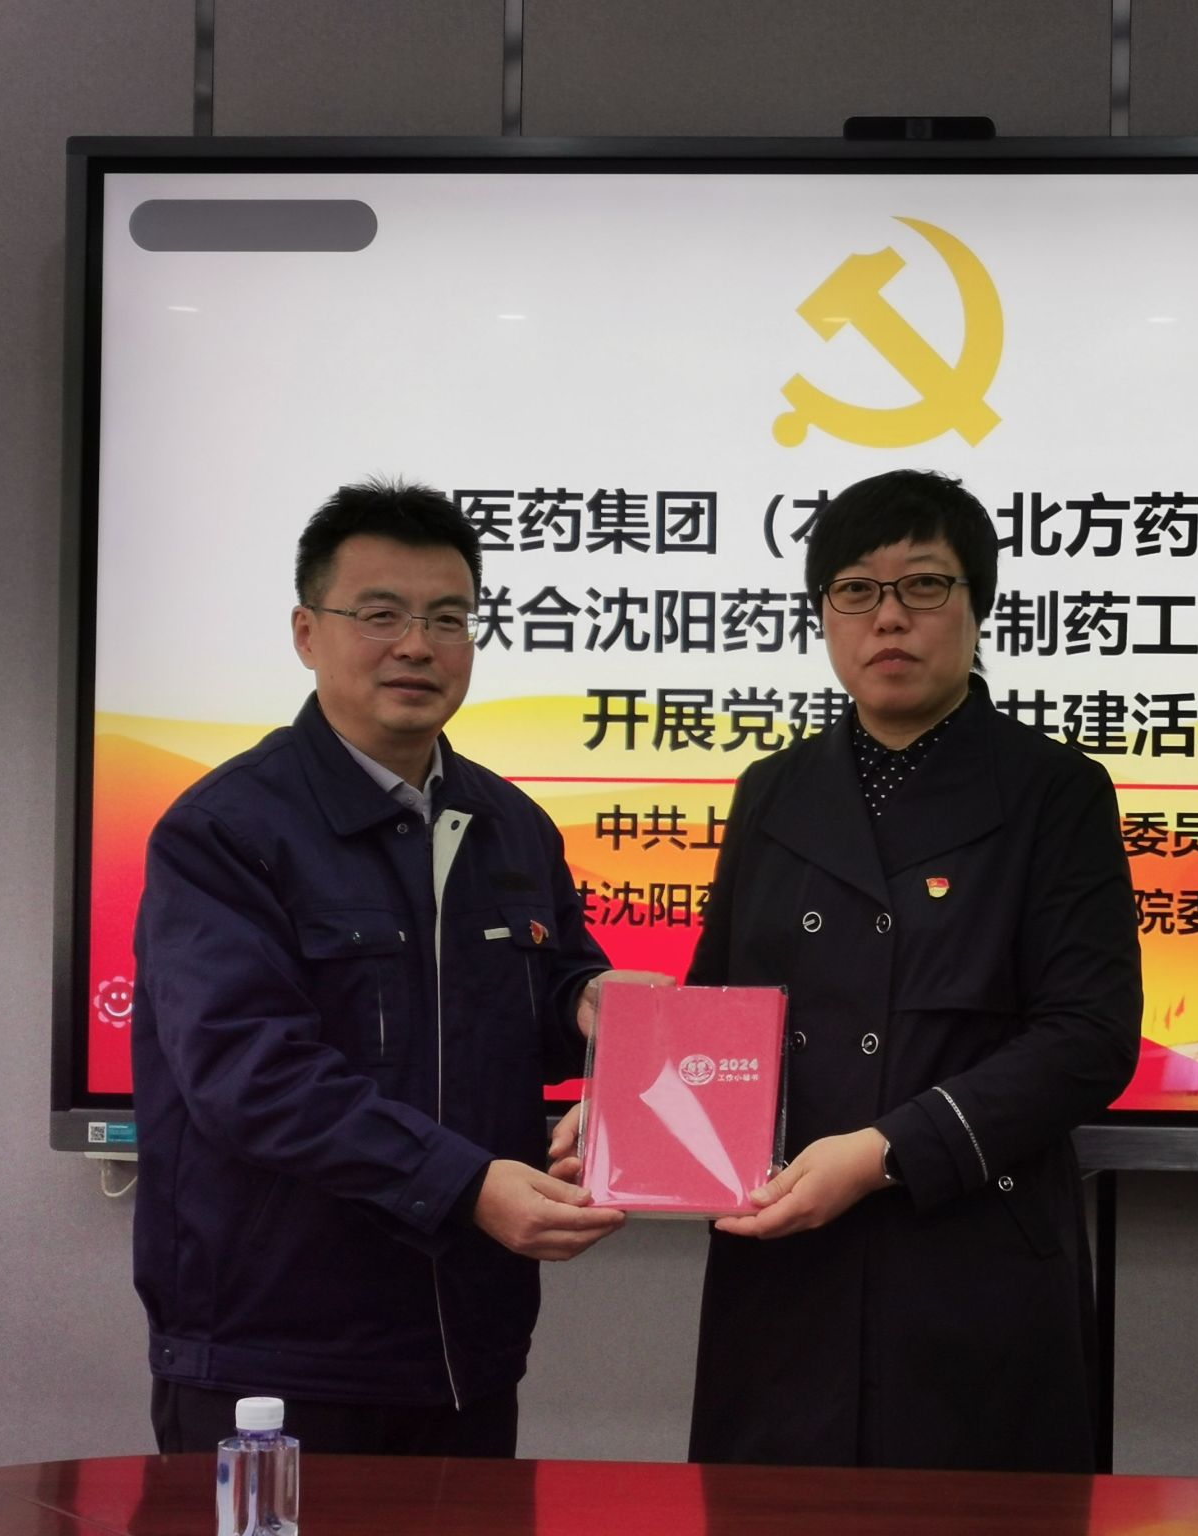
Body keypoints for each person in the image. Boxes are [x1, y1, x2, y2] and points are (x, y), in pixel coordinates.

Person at [132, 480, 631, 1457]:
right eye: (381, 615)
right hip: (274, 1363)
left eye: (448, 618)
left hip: (468, 1352)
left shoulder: (510, 825)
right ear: (306, 633)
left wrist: (590, 1002)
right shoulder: (225, 832)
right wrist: (466, 1185)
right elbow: (249, 1075)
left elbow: (537, 998)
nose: (417, 645)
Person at [677, 468, 1143, 1471]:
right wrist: (632, 1108)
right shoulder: (771, 791)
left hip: (969, 1254)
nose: (887, 617)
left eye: (923, 585)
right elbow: (714, 1013)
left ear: (977, 606)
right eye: (855, 590)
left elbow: (1089, 1037)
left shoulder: (1054, 790)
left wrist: (885, 1151)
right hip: (784, 1253)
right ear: (823, 615)